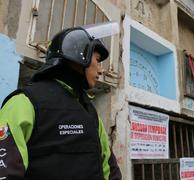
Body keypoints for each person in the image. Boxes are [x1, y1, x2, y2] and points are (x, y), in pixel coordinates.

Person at [0, 22, 122, 180]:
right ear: (79, 57)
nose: (101, 70)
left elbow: (109, 169)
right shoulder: (24, 102)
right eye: (98, 60)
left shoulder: (89, 111)